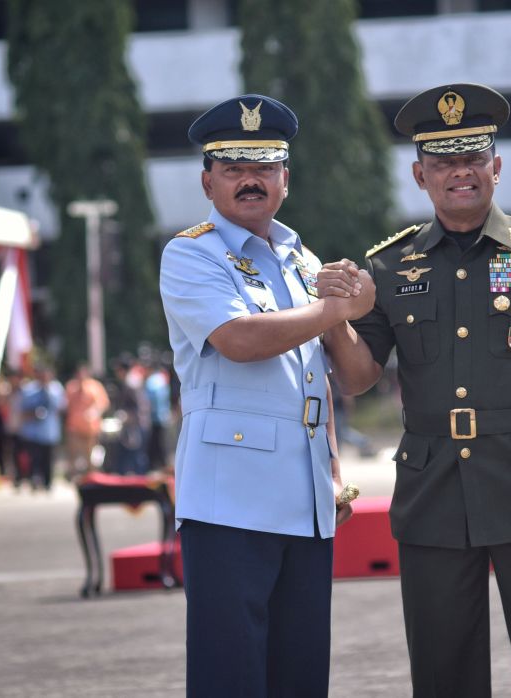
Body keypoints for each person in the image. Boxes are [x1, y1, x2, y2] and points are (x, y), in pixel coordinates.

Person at [319, 83, 511, 697]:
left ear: (496, 166)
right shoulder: (390, 267)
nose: (460, 172)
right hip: (431, 492)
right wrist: (334, 317)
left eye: (472, 158)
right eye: (442, 162)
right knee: (442, 672)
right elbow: (358, 376)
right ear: (419, 174)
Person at [158, 93, 373, 698]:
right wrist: (334, 306)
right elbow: (239, 340)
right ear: (208, 182)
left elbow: (335, 380)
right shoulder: (191, 254)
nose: (249, 181)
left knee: (300, 672)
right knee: (232, 672)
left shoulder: (303, 260)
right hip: (229, 498)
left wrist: (333, 472)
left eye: (264, 168)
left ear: (285, 178)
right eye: (233, 169)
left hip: (305, 499)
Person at [17, 362, 65, 491]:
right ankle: (34, 481)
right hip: (33, 432)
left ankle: (48, 483)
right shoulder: (29, 389)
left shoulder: (56, 389)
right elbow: (22, 410)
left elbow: (61, 407)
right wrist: (33, 413)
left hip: (50, 431)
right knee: (34, 459)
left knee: (48, 459)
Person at [64, 363, 110, 480]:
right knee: (74, 456)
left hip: (91, 429)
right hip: (74, 428)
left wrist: (94, 412)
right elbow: (65, 405)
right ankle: (74, 478)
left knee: (91, 456)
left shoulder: (95, 387)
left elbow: (103, 403)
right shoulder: (71, 387)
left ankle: (91, 477)